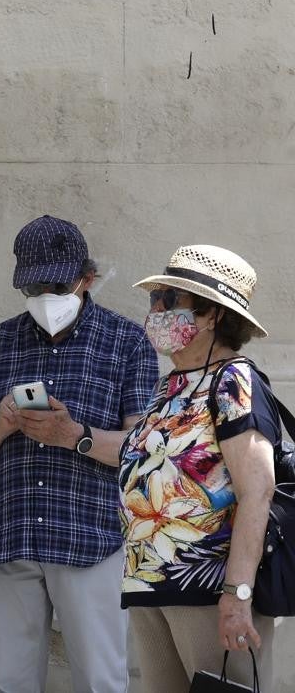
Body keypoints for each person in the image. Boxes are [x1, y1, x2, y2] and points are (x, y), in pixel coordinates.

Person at [0, 215, 159, 692]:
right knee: (7, 682)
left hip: (91, 536)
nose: (44, 295)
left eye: (55, 283)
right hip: (10, 534)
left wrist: (74, 434)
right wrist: (1, 425)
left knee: (101, 681)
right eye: (33, 286)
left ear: (86, 277)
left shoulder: (127, 342)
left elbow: (143, 451)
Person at [120, 245, 280, 691]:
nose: (154, 310)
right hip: (150, 583)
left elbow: (257, 489)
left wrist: (237, 594)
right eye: (154, 299)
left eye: (168, 300)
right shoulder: (170, 385)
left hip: (208, 589)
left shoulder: (234, 380)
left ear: (211, 315)